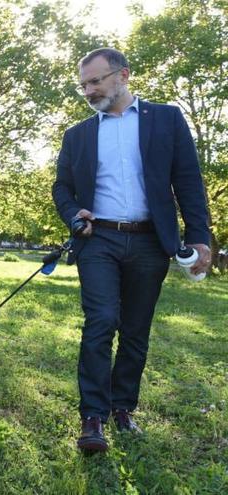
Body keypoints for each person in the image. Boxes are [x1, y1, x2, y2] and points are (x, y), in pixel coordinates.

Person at [52, 48, 211, 452]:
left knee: (136, 329)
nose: (88, 90)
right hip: (98, 239)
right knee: (101, 321)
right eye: (83, 84)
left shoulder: (167, 119)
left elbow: (188, 180)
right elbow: (62, 188)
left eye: (95, 81)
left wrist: (199, 236)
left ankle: (123, 409)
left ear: (123, 75)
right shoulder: (78, 134)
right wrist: (74, 214)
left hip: (150, 241)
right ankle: (92, 417)